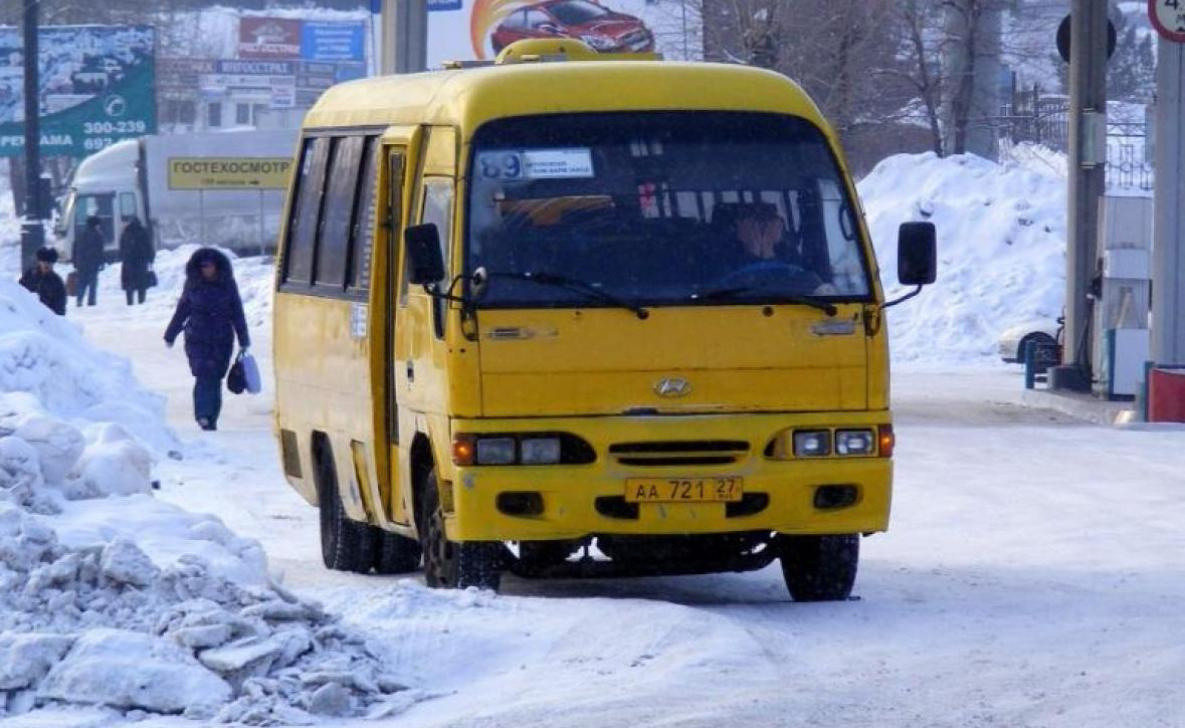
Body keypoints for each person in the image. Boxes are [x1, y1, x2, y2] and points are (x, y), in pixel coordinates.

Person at [163, 248, 251, 431]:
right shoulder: (193, 284)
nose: (206, 269)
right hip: (197, 338)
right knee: (204, 375)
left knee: (216, 377)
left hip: (222, 339)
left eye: (209, 266)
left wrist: (244, 339)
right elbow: (182, 310)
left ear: (216, 266)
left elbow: (237, 311)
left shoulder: (227, 284)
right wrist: (170, 334)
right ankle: (202, 414)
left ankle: (211, 417)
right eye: (203, 266)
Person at [18, 247, 67, 316]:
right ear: (39, 262)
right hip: (26, 316)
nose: (46, 265)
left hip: (45, 319)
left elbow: (59, 308)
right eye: (44, 262)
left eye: (49, 263)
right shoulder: (29, 275)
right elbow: (18, 293)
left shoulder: (57, 282)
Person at [119, 216, 154, 305]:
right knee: (141, 283)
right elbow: (149, 246)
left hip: (128, 262)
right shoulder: (143, 232)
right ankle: (141, 301)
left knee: (129, 283)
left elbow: (122, 247)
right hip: (141, 261)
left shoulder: (125, 233)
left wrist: (123, 257)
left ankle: (129, 302)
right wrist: (150, 258)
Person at [73, 215, 106, 307]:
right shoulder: (98, 235)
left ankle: (79, 300)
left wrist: (75, 262)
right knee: (92, 283)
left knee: (81, 283)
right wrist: (102, 262)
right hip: (92, 263)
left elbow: (75, 249)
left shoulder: (80, 234)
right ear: (95, 225)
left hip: (81, 263)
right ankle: (91, 301)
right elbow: (100, 250)